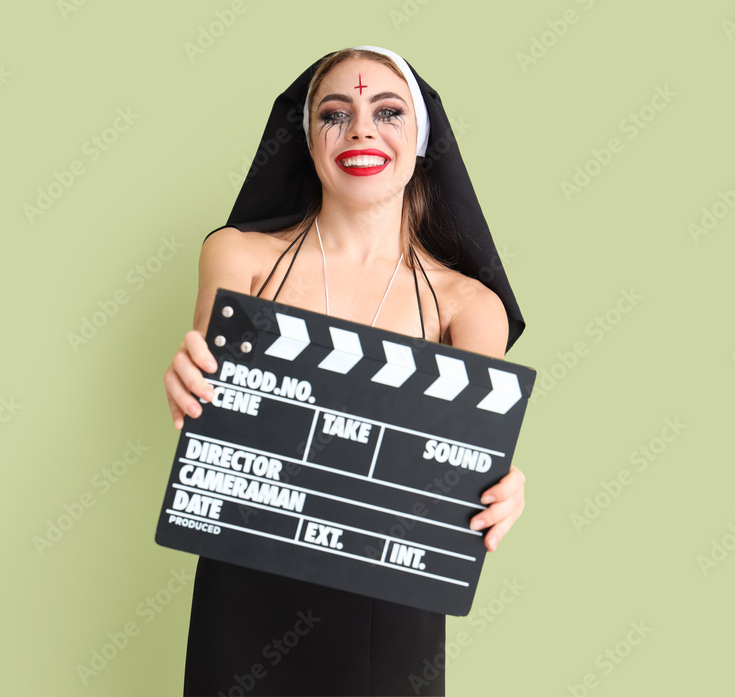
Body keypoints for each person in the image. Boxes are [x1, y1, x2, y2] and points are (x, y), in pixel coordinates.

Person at [163, 45, 528, 696]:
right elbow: (209, 402)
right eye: (336, 113)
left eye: (387, 111)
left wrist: (500, 485)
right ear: (307, 139)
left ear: (421, 140)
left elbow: (466, 457)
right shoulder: (238, 255)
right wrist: (191, 382)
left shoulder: (470, 304)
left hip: (387, 602)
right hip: (248, 572)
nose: (361, 128)